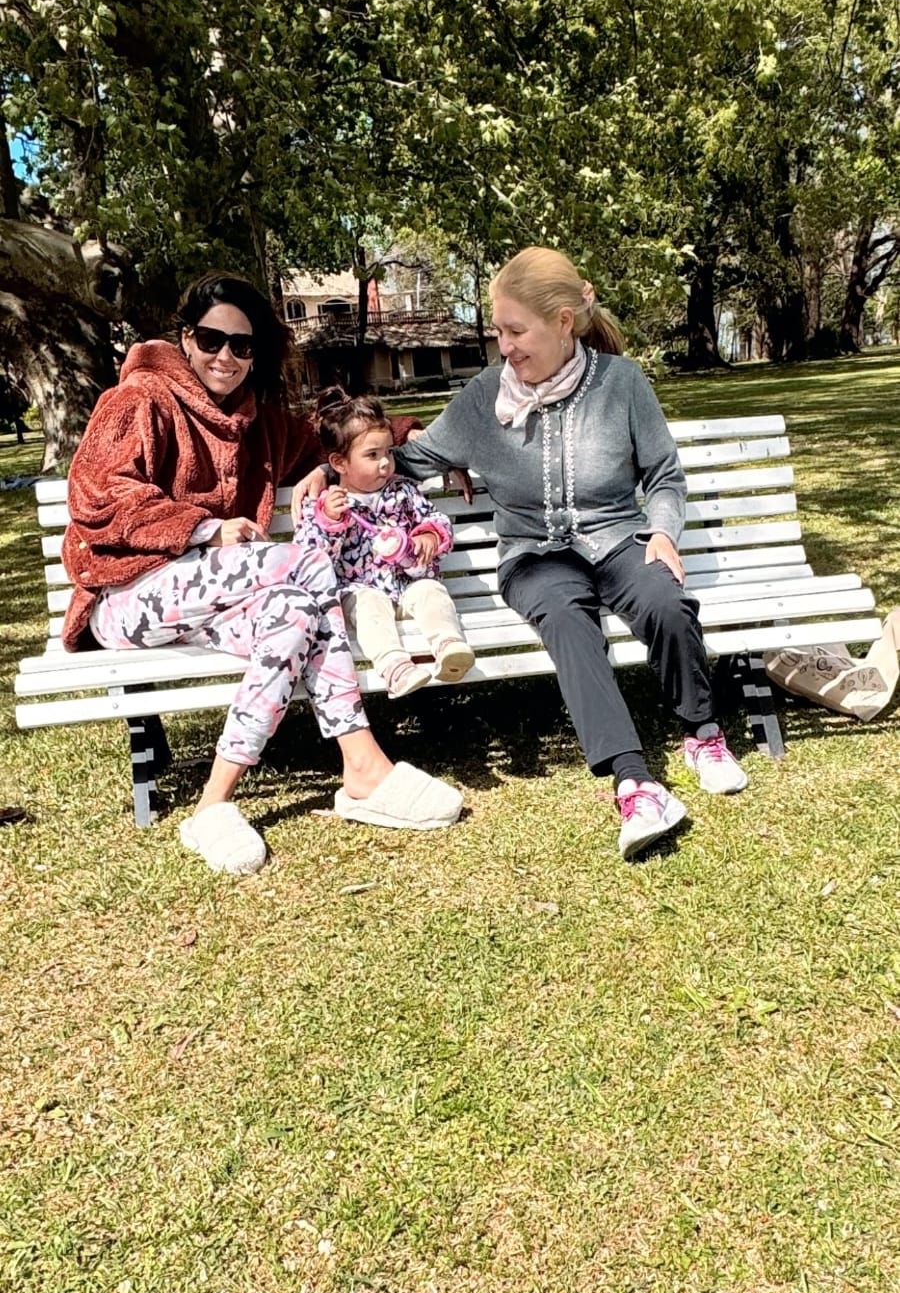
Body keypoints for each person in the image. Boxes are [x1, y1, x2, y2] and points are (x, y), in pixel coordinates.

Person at [299, 245, 747, 860]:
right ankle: (635, 783)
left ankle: (702, 733)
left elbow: (663, 475)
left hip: (617, 538)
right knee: (567, 621)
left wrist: (663, 531)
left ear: (563, 321)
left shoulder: (621, 383)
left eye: (515, 331)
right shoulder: (487, 396)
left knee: (666, 602)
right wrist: (331, 473)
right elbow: (409, 457)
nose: (504, 347)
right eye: (499, 332)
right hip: (535, 557)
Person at [61, 272, 463, 876]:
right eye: (211, 339)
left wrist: (431, 448)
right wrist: (202, 527)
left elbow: (336, 441)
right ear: (185, 338)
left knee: (296, 612)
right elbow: (95, 496)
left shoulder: (258, 421)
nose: (226, 356)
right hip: (129, 595)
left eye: (242, 345)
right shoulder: (139, 399)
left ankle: (214, 806)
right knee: (304, 560)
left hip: (211, 604)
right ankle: (363, 761)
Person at [293, 387, 475, 698]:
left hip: (407, 585)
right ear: (339, 463)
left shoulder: (402, 491)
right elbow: (311, 558)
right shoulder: (327, 505)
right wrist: (331, 523)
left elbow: (436, 519)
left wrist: (430, 535)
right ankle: (394, 667)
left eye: (389, 452)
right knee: (369, 606)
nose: (386, 463)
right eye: (372, 455)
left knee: (431, 591)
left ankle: (449, 647)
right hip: (360, 591)